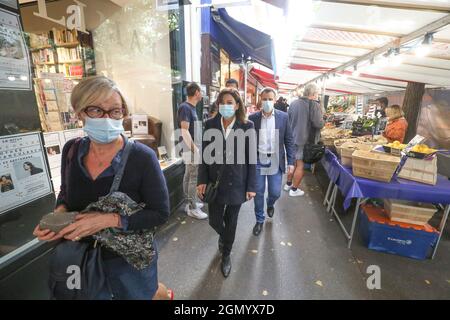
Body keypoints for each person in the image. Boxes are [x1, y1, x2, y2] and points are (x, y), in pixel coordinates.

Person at [33, 76, 172, 300]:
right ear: (79, 113)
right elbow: (66, 196)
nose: (107, 118)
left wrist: (108, 220)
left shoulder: (142, 157)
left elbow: (160, 213)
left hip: (126, 260)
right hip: (80, 256)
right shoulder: (71, 150)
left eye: (115, 111)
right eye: (96, 110)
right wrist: (57, 216)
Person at [197, 88, 257, 278]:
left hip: (238, 182)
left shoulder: (247, 126)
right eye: (222, 102)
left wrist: (251, 186)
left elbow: (251, 158)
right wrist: (202, 181)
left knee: (231, 220)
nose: (225, 106)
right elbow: (205, 156)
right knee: (214, 220)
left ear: (237, 105)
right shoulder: (210, 124)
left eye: (230, 102)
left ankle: (226, 254)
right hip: (215, 182)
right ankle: (225, 237)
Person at [249, 88, 295, 236]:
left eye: (270, 99)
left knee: (275, 192)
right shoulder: (253, 118)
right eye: (264, 99)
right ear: (260, 100)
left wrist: (291, 161)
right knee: (258, 192)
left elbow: (289, 139)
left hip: (276, 159)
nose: (267, 102)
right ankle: (259, 220)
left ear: (274, 100)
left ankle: (270, 203)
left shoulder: (284, 117)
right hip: (257, 159)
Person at [285, 83, 325, 196]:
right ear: (313, 94)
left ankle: (288, 184)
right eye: (317, 93)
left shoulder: (293, 103)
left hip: (292, 138)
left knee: (292, 162)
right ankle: (294, 190)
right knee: (300, 165)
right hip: (304, 140)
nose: (317, 96)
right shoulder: (314, 105)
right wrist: (323, 121)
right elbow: (318, 123)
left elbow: (288, 120)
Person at [177, 82, 208, 219]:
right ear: (196, 92)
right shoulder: (185, 107)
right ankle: (193, 207)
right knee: (193, 176)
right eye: (200, 91)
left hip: (191, 146)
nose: (201, 94)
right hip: (190, 147)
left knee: (189, 175)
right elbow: (184, 130)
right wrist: (195, 148)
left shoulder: (190, 107)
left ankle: (190, 203)